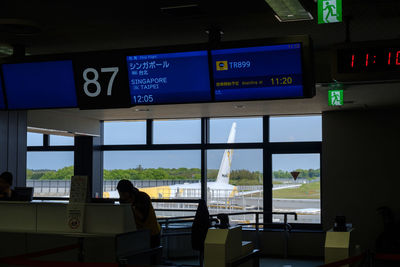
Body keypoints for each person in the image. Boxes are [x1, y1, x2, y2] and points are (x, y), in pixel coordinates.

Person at [117, 179, 161, 248]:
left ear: (128, 192)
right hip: (138, 233)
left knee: (150, 255)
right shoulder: (124, 199)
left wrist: (131, 206)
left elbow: (143, 218)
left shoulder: (143, 197)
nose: (121, 196)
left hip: (151, 233)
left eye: (122, 193)